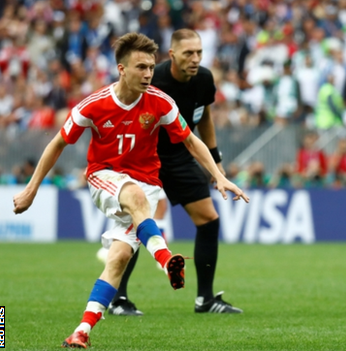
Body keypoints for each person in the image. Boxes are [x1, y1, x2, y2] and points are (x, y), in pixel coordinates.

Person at [12, 33, 249, 348]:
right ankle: (165, 260)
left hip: (147, 183)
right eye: (141, 67)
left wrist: (218, 175)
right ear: (122, 69)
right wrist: (32, 189)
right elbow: (57, 143)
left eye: (151, 67)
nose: (148, 74)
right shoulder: (94, 105)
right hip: (104, 176)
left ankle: (81, 331)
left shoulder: (161, 102)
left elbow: (191, 140)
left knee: (119, 258)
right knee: (134, 196)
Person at [104, 28, 245, 316]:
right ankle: (118, 300)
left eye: (199, 53)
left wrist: (216, 164)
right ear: (172, 55)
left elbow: (203, 116)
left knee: (209, 219)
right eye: (188, 53)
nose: (195, 59)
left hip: (181, 157)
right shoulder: (153, 78)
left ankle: (205, 299)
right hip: (146, 158)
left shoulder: (204, 79)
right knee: (134, 228)